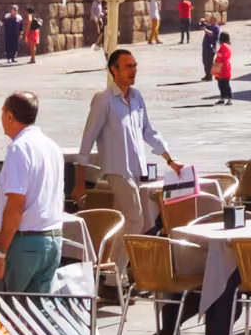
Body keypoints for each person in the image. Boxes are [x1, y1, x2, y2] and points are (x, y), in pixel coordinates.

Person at [76, 48, 181, 282]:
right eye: (127, 66)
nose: (133, 70)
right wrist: (79, 180)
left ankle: (111, 271)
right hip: (117, 169)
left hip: (137, 170)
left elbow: (148, 131)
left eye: (134, 66)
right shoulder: (103, 99)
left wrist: (170, 159)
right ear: (114, 70)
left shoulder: (136, 97)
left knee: (132, 219)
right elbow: (88, 139)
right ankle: (115, 274)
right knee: (136, 219)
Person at [0, 91, 65, 293]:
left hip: (26, 243)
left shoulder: (19, 149)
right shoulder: (52, 147)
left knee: (6, 307)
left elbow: (15, 205)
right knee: (37, 309)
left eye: (2, 113)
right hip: (53, 239)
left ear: (10, 116)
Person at [212, 31, 234, 105]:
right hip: (221, 66)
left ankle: (228, 99)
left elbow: (223, 56)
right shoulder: (225, 46)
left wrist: (215, 52)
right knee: (222, 84)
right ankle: (223, 98)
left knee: (224, 84)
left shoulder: (224, 46)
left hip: (222, 66)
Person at [200, 15, 220, 82]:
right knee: (205, 60)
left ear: (215, 20)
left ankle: (210, 76)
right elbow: (201, 26)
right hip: (205, 46)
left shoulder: (216, 27)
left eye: (212, 19)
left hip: (211, 47)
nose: (210, 20)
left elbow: (211, 34)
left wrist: (205, 30)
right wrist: (202, 22)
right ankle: (207, 75)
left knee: (210, 61)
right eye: (210, 19)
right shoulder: (209, 26)